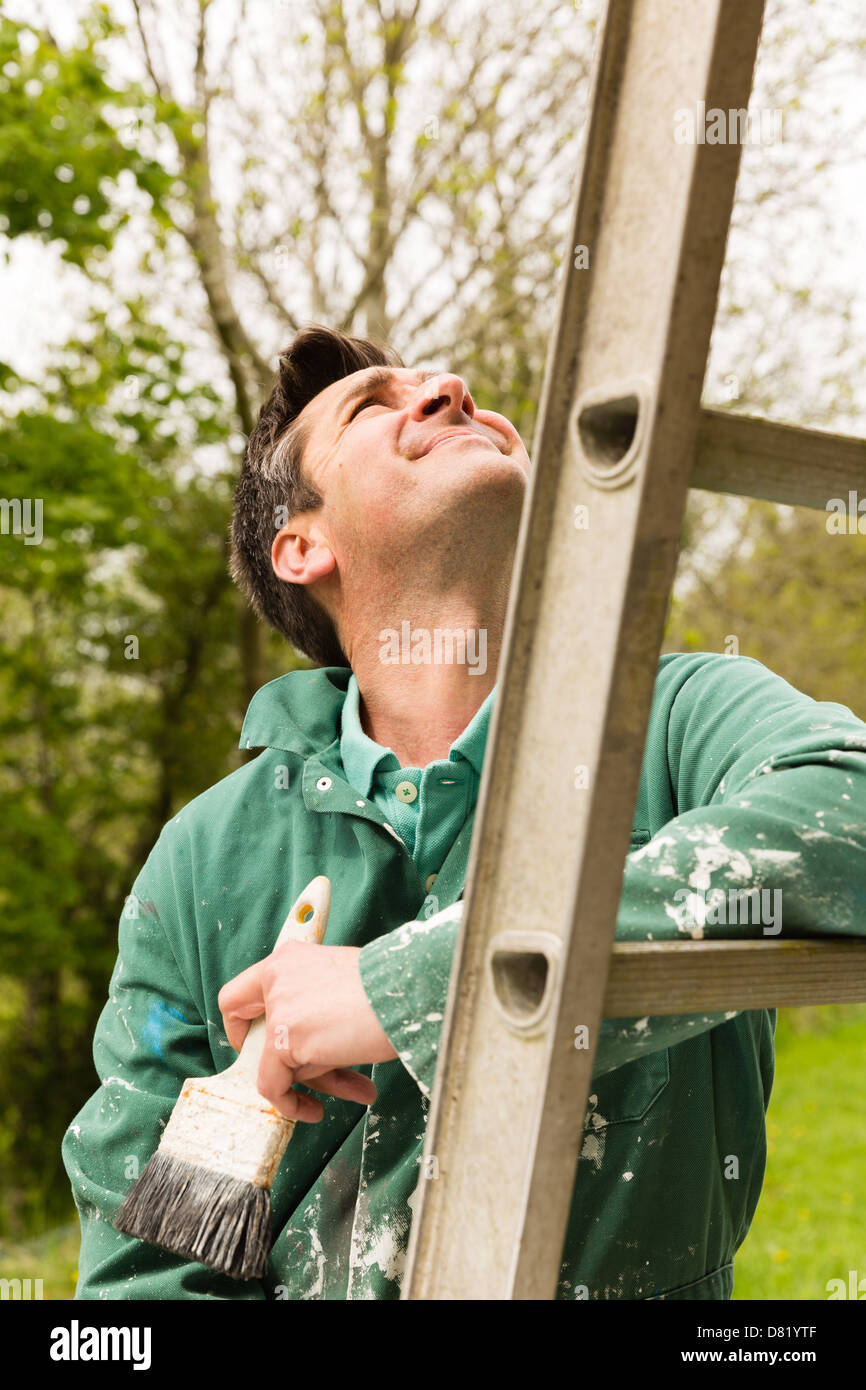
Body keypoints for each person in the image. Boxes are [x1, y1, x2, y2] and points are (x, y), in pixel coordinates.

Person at [63, 323, 866, 1300]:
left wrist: (404, 989)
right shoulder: (201, 858)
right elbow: (136, 1294)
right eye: (372, 406)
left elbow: (849, 807)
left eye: (450, 386)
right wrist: (235, 1124)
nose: (450, 388)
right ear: (300, 546)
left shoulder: (677, 719)